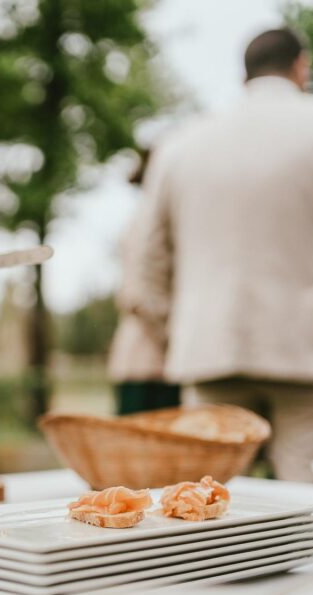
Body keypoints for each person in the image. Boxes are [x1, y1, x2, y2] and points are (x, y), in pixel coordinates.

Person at [126, 28, 313, 482]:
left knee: (214, 518)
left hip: (208, 355)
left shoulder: (178, 144)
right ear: (302, 65)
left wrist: (185, 331)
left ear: (245, 75)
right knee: (312, 523)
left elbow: (143, 269)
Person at [109, 149, 181, 416]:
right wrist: (173, 338)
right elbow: (138, 296)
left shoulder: (141, 220)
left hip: (149, 362)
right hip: (151, 364)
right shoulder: (147, 223)